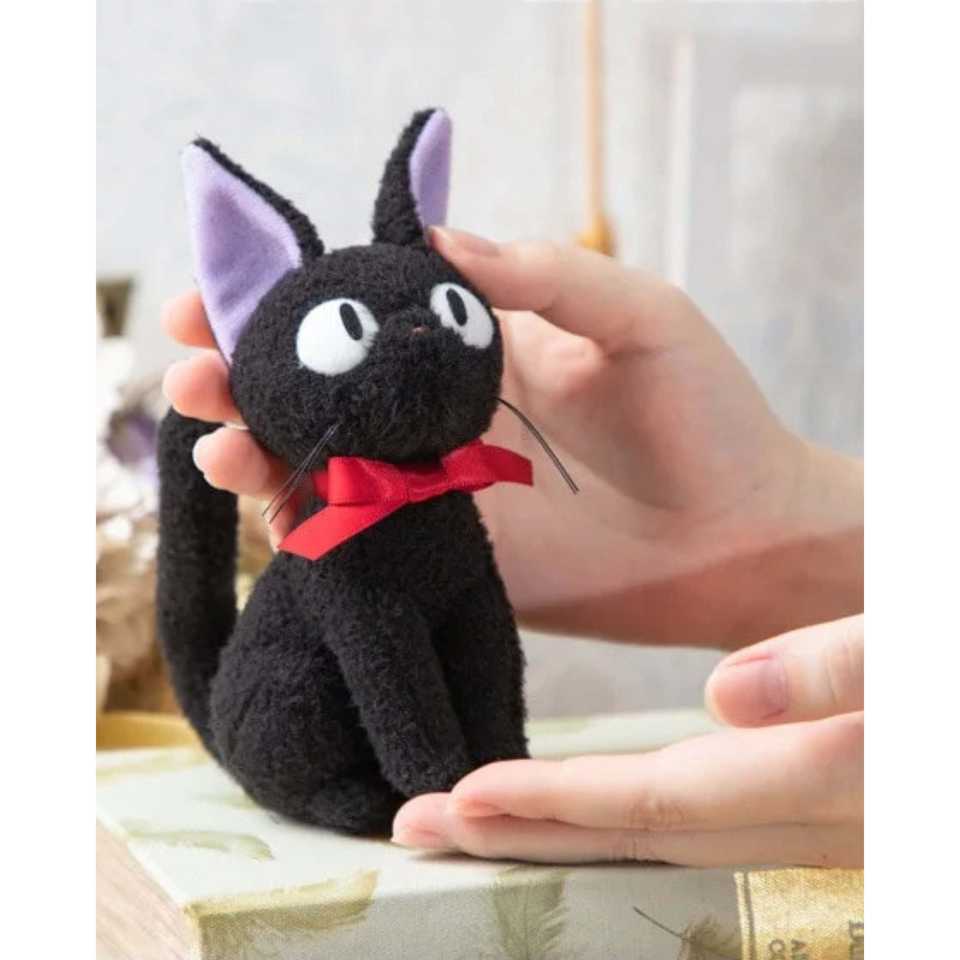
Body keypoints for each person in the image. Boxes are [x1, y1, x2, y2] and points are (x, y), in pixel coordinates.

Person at [162, 227, 863, 868]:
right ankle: (336, 783)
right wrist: (437, 781)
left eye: (452, 314)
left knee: (478, 621)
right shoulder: (340, 540)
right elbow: (383, 658)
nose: (421, 336)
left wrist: (501, 758)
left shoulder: (450, 505)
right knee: (345, 668)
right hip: (282, 733)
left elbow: (482, 627)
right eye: (350, 331)